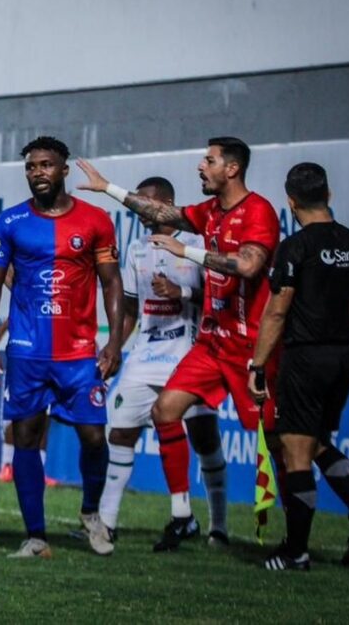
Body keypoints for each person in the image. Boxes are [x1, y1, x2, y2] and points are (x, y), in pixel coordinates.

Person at [77, 136, 280, 552]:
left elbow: (247, 266)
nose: (200, 167)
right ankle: (179, 514)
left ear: (232, 168)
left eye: (209, 160)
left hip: (246, 349)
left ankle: (292, 531)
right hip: (204, 347)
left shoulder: (256, 211)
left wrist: (185, 256)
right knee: (159, 414)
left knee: (280, 441)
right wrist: (109, 188)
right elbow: (157, 212)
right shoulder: (204, 216)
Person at [0, 136, 123, 559]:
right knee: (25, 435)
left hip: (79, 352)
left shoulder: (95, 221)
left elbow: (112, 282)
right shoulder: (10, 222)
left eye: (45, 165)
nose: (37, 172)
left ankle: (91, 513)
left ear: (64, 170)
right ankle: (36, 535)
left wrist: (113, 340)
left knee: (94, 437)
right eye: (31, 166)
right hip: (26, 351)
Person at [248, 162, 349, 570]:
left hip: (307, 357)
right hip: (344, 356)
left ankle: (296, 552)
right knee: (318, 441)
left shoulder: (295, 247)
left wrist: (257, 365)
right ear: (328, 196)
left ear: (290, 202)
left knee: (295, 450)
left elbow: (276, 312)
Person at [98, 177, 228, 547]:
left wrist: (182, 291)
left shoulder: (197, 244)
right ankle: (106, 522)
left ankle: (218, 525)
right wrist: (114, 347)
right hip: (146, 353)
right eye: (135, 202)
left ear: (167, 203)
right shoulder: (137, 248)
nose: (138, 209)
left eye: (145, 202)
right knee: (120, 430)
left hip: (189, 353)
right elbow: (130, 308)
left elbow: (216, 299)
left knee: (204, 439)